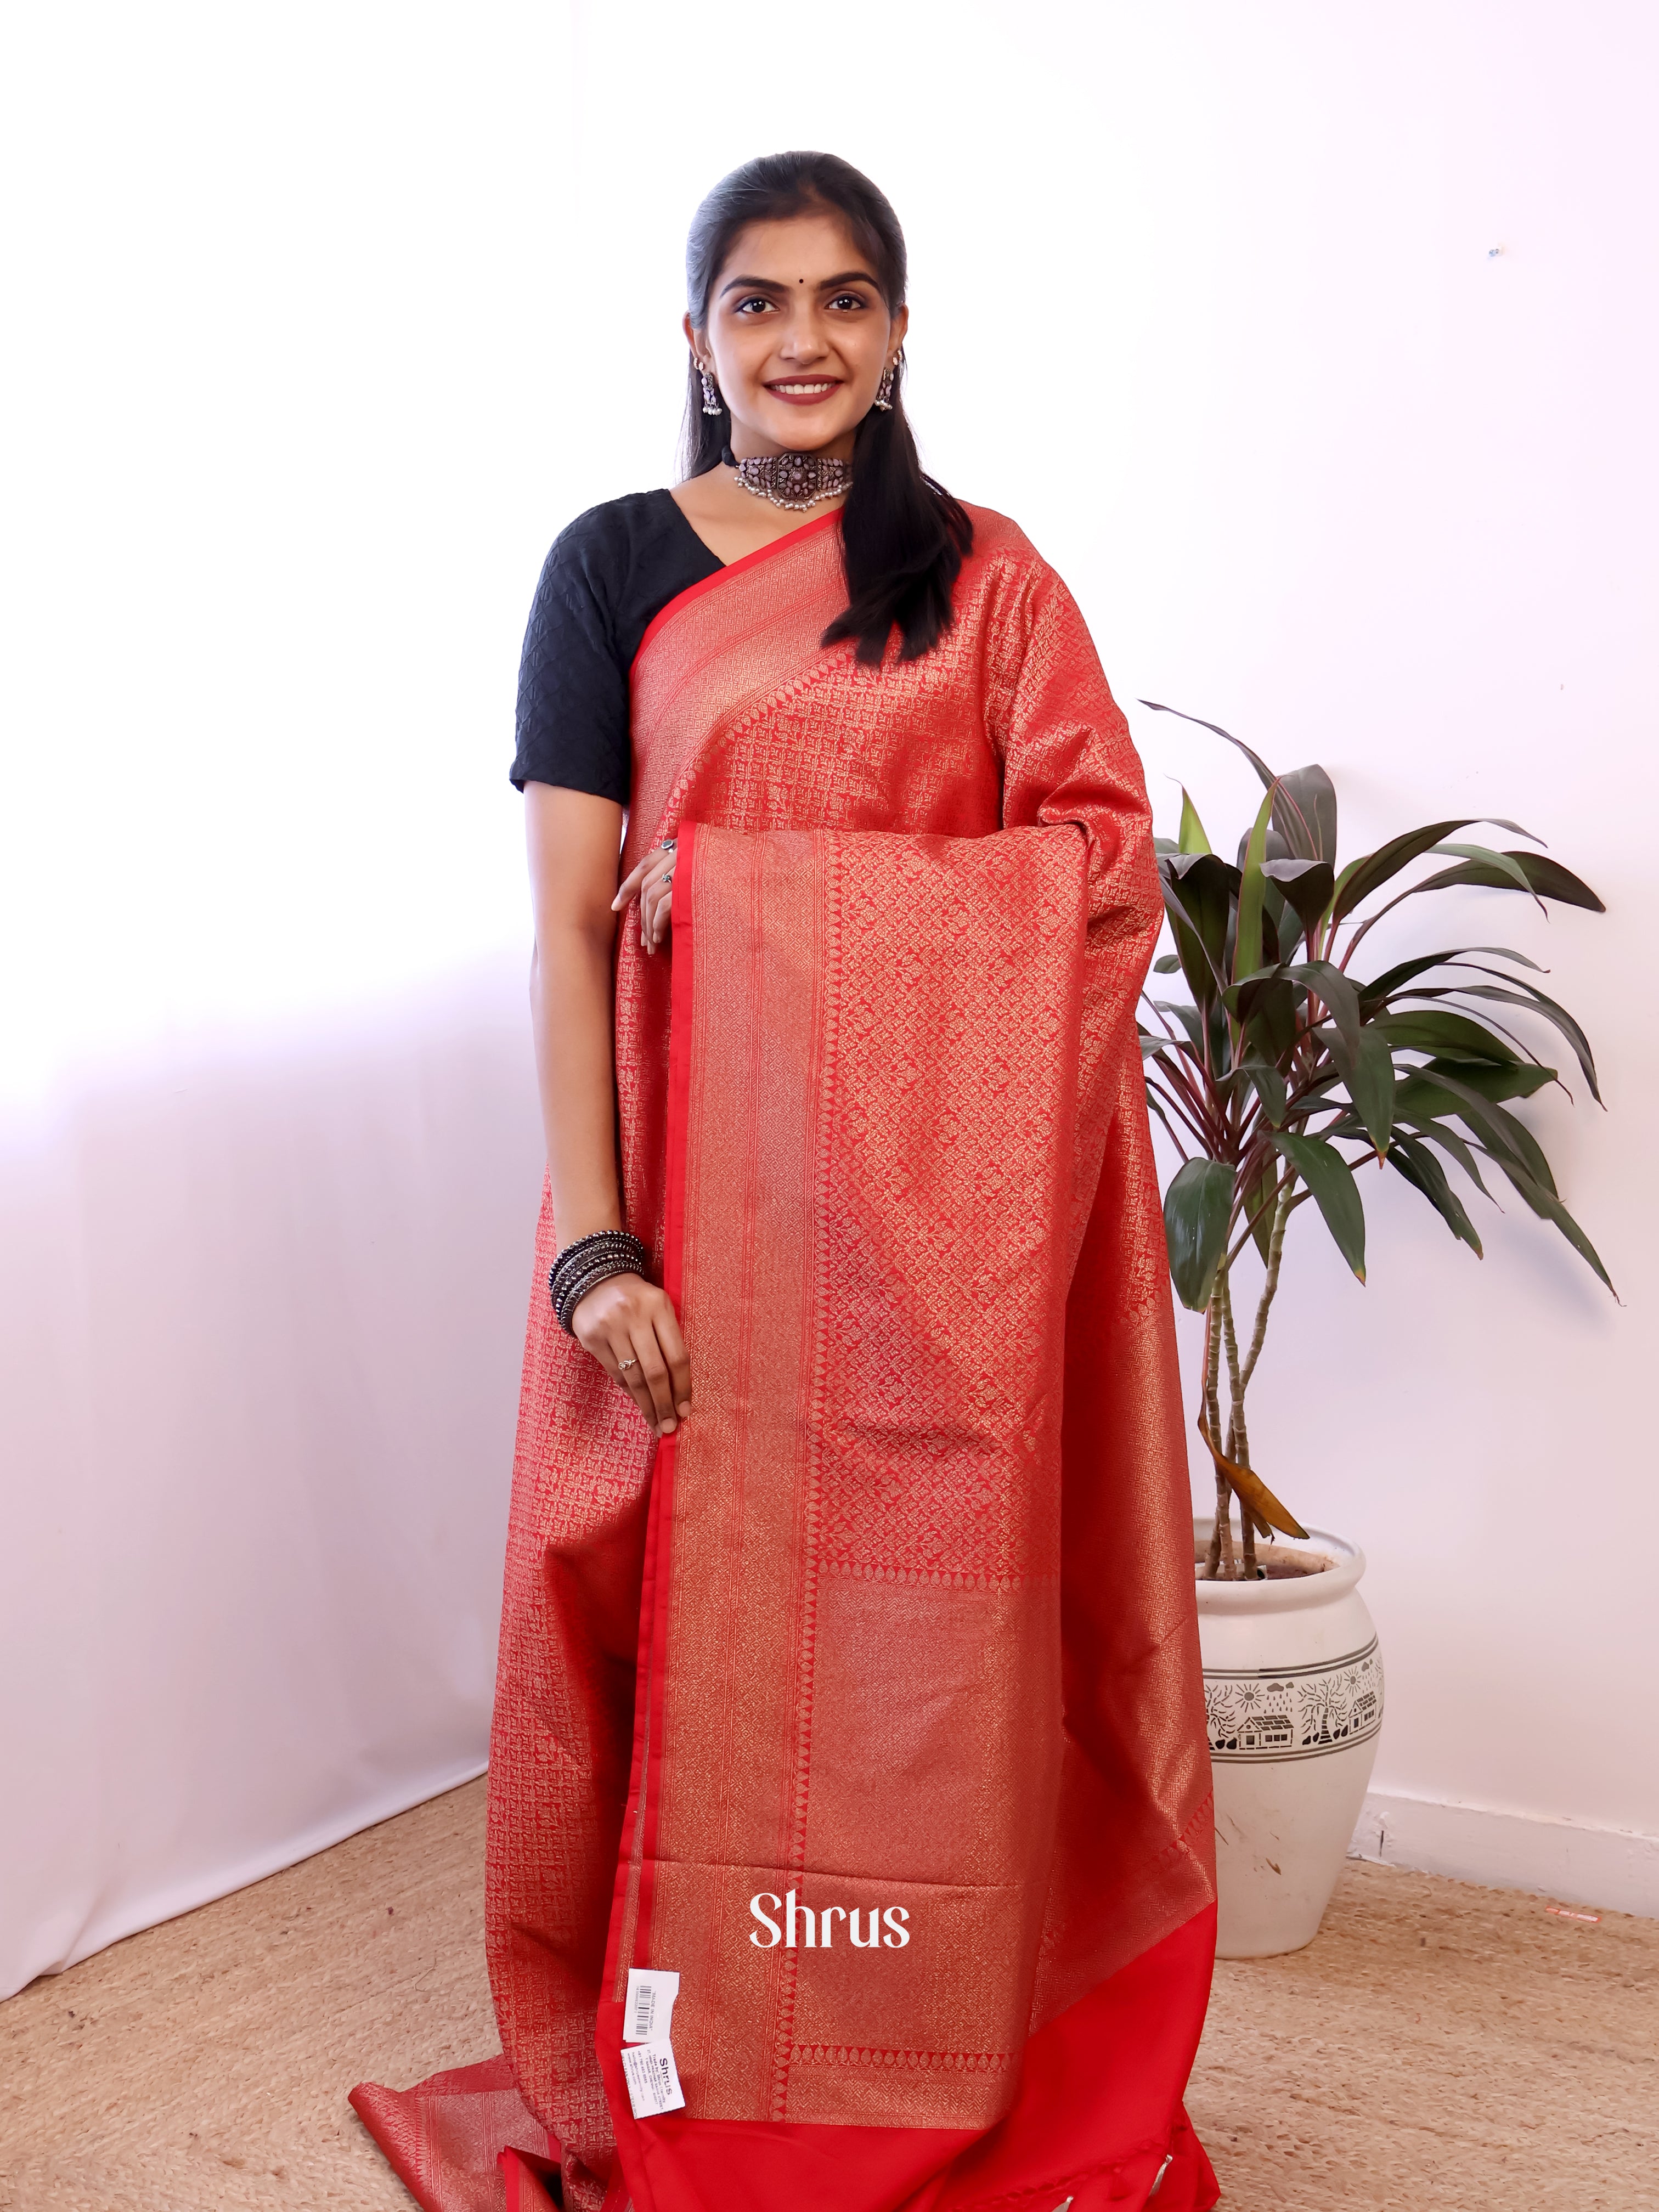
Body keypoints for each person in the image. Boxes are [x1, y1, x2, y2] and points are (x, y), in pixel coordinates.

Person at [353, 150, 1219, 2212]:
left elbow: (1107, 880)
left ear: (901, 332)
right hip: (692, 1232)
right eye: (760, 302)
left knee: (935, 1686)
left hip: (943, 1257)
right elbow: (574, 930)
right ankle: (700, 2075)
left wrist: (761, 894)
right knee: (659, 1651)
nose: (804, 338)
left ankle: (936, 2054)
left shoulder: (991, 583)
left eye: (846, 299)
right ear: (697, 339)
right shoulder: (612, 569)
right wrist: (592, 1243)